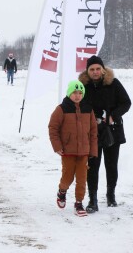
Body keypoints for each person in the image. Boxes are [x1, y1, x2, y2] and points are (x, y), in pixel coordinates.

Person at [78, 55, 131, 213]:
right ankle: (93, 200)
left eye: (98, 69)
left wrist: (112, 116)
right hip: (91, 132)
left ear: (103, 70)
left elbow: (126, 102)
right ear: (87, 71)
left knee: (111, 165)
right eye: (92, 69)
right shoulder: (83, 86)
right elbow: (77, 104)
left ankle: (111, 195)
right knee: (92, 166)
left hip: (112, 130)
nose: (95, 72)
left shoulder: (113, 83)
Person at [48, 80, 98, 217]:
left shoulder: (88, 109)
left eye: (80, 93)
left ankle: (79, 203)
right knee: (67, 177)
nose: (77, 95)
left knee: (82, 179)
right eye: (75, 93)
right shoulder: (61, 109)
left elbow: (93, 131)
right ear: (69, 93)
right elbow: (53, 128)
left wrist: (93, 150)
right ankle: (62, 191)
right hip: (67, 151)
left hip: (83, 153)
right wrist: (57, 146)